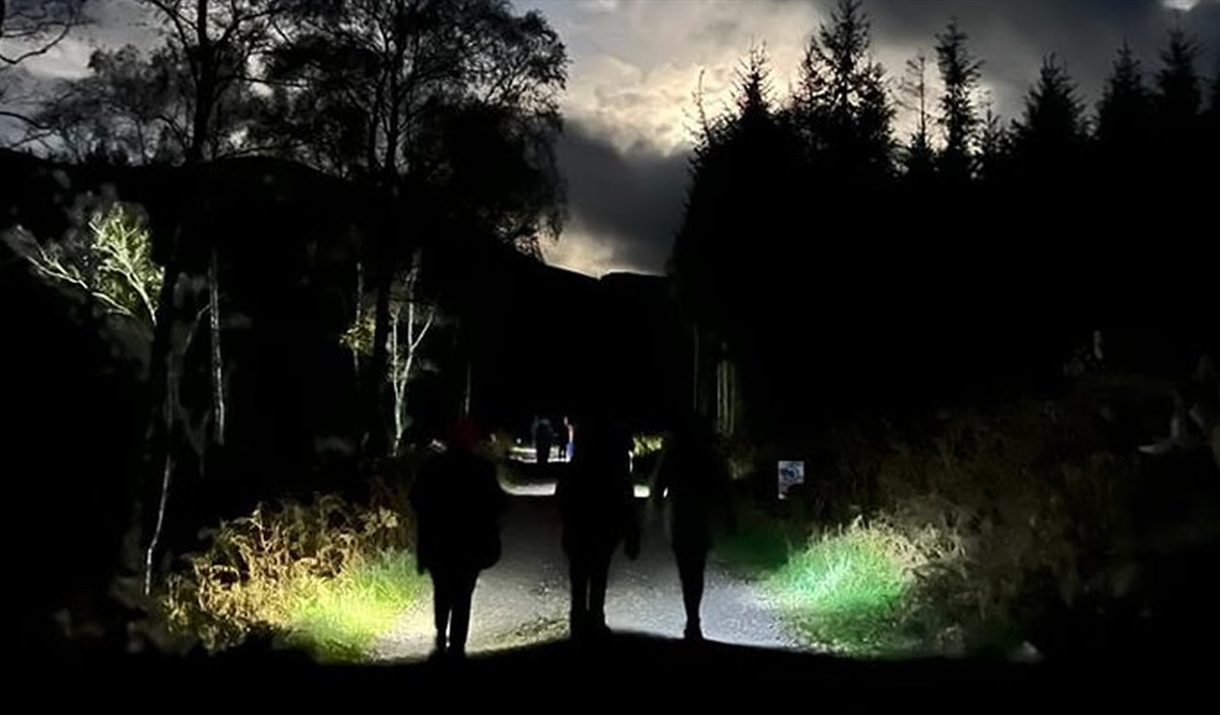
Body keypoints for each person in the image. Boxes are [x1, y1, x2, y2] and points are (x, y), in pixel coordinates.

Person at [409, 417, 507, 659]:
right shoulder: (483, 468)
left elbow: (415, 498)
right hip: (472, 544)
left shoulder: (433, 466)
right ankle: (457, 647)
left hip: (438, 542)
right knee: (464, 594)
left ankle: (442, 633)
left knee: (442, 590)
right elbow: (499, 504)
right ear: (472, 440)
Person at [650, 412, 735, 641]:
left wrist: (655, 509)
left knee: (687, 569)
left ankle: (692, 618)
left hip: (680, 515)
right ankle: (693, 619)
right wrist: (728, 516)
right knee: (696, 570)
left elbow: (658, 484)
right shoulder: (711, 454)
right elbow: (725, 488)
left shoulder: (674, 451)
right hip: (700, 517)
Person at [556, 412, 640, 641]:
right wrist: (631, 531)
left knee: (579, 577)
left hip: (579, 529)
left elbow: (561, 497)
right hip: (603, 528)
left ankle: (579, 621)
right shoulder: (614, 467)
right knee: (599, 573)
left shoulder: (577, 466)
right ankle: (595, 618)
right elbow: (626, 498)